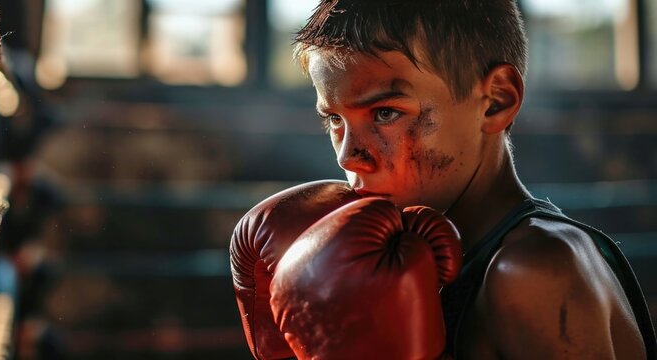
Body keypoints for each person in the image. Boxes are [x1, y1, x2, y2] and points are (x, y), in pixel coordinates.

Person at [280, 0, 656, 358]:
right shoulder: (420, 260)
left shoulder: (533, 270)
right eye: (334, 120)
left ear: (496, 101)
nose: (348, 156)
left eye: (384, 113)